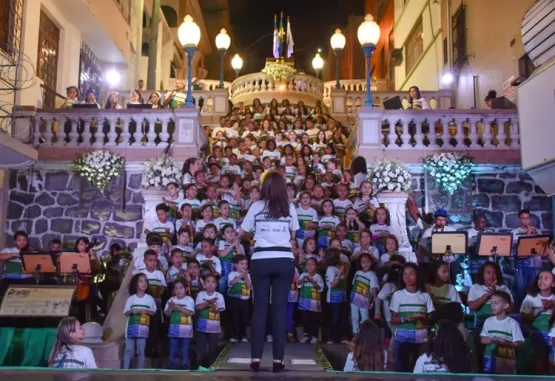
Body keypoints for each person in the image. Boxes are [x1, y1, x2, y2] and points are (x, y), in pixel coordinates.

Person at [238, 171, 299, 373]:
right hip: (283, 260)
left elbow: (242, 233)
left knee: (260, 309)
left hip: (261, 260)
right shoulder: (289, 207)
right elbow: (293, 235)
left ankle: (255, 359)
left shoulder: (256, 207)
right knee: (280, 309)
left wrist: (256, 232)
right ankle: (278, 361)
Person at [390, 263, 434, 372]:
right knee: (401, 368)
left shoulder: (425, 296)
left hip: (421, 338)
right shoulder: (398, 295)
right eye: (405, 274)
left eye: (411, 274)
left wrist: (423, 318)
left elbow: (431, 319)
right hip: (402, 338)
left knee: (418, 368)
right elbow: (393, 319)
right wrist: (406, 319)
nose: (407, 277)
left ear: (417, 276)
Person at [481, 291, 524, 374]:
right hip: (490, 360)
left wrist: (505, 343)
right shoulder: (488, 321)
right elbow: (483, 339)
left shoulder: (513, 323)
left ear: (506, 305)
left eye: (496, 303)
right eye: (491, 303)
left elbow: (518, 343)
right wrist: (493, 340)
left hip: (506, 361)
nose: (492, 305)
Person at [520, 270, 554, 374]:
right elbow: (524, 319)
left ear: (553, 283)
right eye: (540, 277)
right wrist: (540, 309)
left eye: (546, 278)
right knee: (538, 365)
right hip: (536, 336)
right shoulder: (530, 297)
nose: (542, 280)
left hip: (553, 337)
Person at [123, 273, 157, 369]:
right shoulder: (131, 299)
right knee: (128, 350)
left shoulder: (149, 299)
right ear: (135, 284)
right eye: (141, 281)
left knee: (141, 350)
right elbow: (126, 312)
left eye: (145, 281)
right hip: (130, 329)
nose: (144, 283)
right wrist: (132, 311)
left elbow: (153, 312)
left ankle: (140, 371)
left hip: (143, 329)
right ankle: (125, 369)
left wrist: (145, 311)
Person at [512, 209, 542, 305]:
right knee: (521, 289)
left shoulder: (537, 231)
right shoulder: (514, 233)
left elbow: (542, 246)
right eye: (523, 218)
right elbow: (517, 247)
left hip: (535, 264)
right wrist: (528, 235)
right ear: (519, 220)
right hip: (521, 265)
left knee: (534, 289)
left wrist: (535, 234)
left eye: (528, 218)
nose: (526, 221)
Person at [195, 273, 226, 368]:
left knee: (213, 349)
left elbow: (217, 311)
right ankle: (198, 367)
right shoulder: (201, 294)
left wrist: (213, 304)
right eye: (207, 282)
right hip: (201, 328)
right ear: (204, 284)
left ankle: (211, 368)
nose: (210, 284)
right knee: (200, 349)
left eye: (213, 282)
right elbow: (198, 307)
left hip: (214, 328)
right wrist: (208, 302)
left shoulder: (219, 296)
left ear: (216, 284)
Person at [165, 279, 195, 370]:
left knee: (185, 354)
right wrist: (170, 308)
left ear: (186, 289)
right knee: (172, 354)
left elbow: (188, 312)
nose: (178, 290)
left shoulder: (189, 300)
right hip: (173, 332)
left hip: (186, 333)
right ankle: (171, 374)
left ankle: (184, 374)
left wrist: (178, 307)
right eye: (176, 288)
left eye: (181, 288)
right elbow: (167, 314)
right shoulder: (171, 300)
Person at [227, 254, 252, 343]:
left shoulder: (248, 275)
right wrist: (241, 276)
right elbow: (231, 282)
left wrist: (245, 277)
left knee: (244, 318)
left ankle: (244, 335)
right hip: (234, 299)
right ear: (236, 265)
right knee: (235, 318)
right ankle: (236, 335)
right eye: (242, 264)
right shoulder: (232, 274)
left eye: (246, 264)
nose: (244, 266)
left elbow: (250, 287)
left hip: (245, 300)